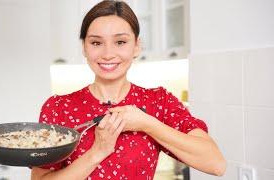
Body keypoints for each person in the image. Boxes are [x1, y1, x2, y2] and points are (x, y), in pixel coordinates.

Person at [31, 0, 226, 179]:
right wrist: (96, 153)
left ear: (136, 47)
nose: (108, 54)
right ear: (84, 47)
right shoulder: (58, 107)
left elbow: (216, 164)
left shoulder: (158, 102)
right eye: (96, 43)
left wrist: (146, 124)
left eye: (120, 42)